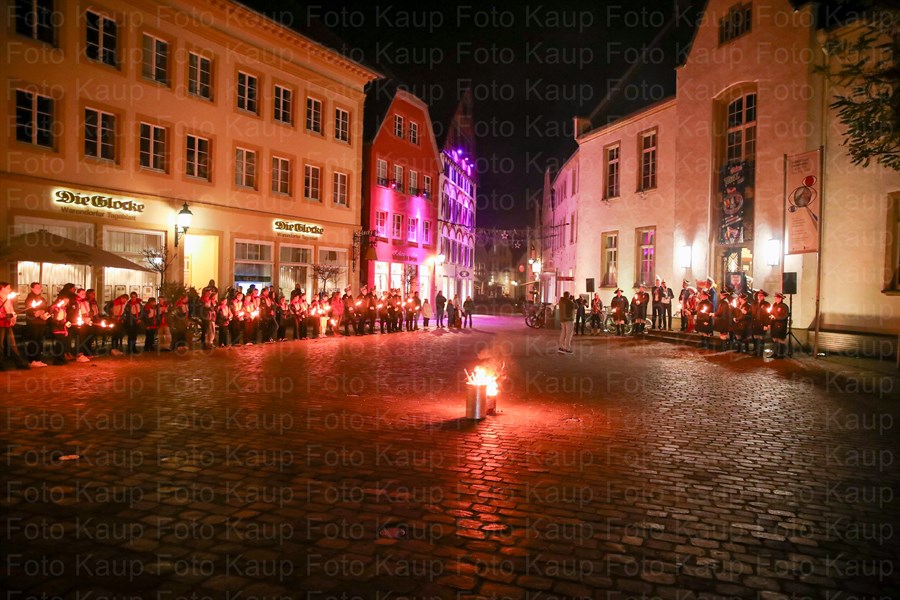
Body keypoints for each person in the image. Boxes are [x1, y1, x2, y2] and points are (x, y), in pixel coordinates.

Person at [0, 282, 29, 370]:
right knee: (0, 345)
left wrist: (12, 315)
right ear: (2, 288)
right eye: (8, 288)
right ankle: (1, 365)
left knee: (12, 344)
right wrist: (4, 316)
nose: (10, 289)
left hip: (8, 323)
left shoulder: (8, 299)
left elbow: (11, 310)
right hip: (1, 324)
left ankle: (20, 363)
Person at [24, 282, 49, 366]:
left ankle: (38, 359)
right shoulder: (29, 299)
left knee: (39, 341)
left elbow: (45, 308)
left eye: (40, 287)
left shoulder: (42, 299)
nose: (39, 289)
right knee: (33, 341)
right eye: (37, 287)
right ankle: (32, 360)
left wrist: (43, 312)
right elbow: (31, 311)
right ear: (32, 289)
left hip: (41, 323)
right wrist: (38, 312)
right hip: (33, 323)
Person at [749, 289, 771, 357]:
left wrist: (767, 324)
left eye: (761, 295)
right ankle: (756, 350)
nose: (760, 297)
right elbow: (751, 313)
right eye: (759, 295)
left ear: (764, 296)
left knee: (761, 338)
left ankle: (760, 352)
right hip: (755, 323)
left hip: (762, 323)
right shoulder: (754, 303)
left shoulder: (767, 304)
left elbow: (768, 315)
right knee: (755, 337)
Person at [769, 292, 790, 358]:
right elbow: (771, 313)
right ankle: (775, 353)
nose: (775, 299)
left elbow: (785, 316)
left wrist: (776, 318)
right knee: (774, 339)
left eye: (777, 298)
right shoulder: (774, 305)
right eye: (775, 297)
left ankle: (781, 354)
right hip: (774, 324)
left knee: (780, 339)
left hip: (781, 325)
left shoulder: (784, 306)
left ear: (780, 298)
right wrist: (771, 316)